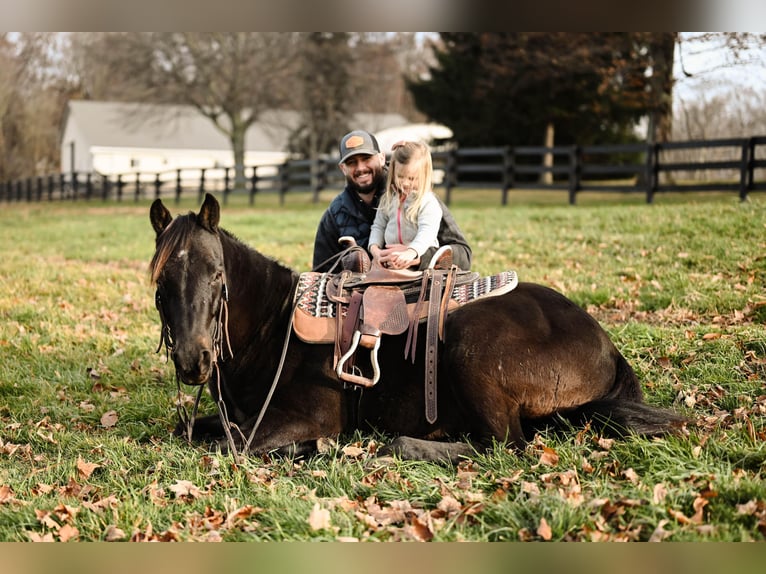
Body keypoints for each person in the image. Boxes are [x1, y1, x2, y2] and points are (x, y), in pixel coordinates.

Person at [312, 130, 472, 272]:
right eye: (351, 162)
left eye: (366, 158)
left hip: (416, 279)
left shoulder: (419, 197)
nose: (360, 168)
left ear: (381, 158)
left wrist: (418, 258)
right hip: (362, 293)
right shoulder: (335, 213)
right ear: (342, 168)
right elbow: (320, 271)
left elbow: (463, 255)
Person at [367, 140, 441, 270]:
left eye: (412, 178)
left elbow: (427, 232)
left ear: (424, 175)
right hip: (392, 260)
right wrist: (375, 249)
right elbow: (378, 226)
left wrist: (411, 252)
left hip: (419, 262)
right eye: (400, 176)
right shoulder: (388, 199)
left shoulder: (428, 202)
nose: (405, 183)